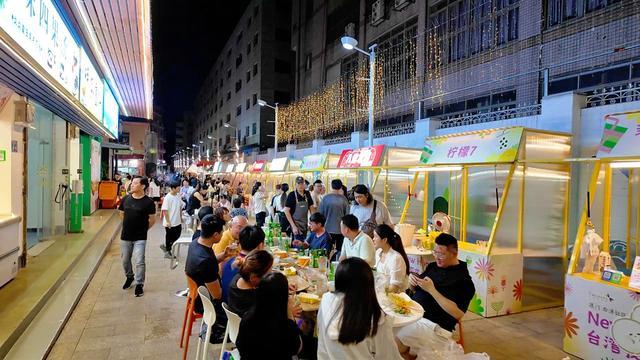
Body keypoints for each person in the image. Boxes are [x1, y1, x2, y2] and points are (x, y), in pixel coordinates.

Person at [395, 233, 475, 359]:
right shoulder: (433, 266)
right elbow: (416, 288)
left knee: (395, 345)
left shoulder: (464, 280)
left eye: (441, 254)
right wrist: (412, 283)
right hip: (414, 316)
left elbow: (458, 313)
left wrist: (432, 290)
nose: (437, 257)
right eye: (435, 252)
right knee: (384, 331)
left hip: (435, 326)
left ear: (454, 253)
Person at [317, 257, 402, 360]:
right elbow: (388, 356)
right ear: (369, 285)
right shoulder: (376, 317)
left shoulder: (326, 299)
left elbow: (321, 343)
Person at [185, 215, 235, 343]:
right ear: (215, 235)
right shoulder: (205, 261)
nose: (223, 234)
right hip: (205, 303)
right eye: (222, 232)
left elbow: (211, 262)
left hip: (195, 293)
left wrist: (223, 255)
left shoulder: (196, 243)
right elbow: (217, 295)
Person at [235, 272, 303, 359]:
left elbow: (240, 346)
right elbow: (297, 349)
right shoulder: (284, 326)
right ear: (284, 298)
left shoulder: (248, 317)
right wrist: (290, 314)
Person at [118, 176, 156, 297]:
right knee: (125, 260)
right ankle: (130, 277)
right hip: (126, 235)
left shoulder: (148, 202)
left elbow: (152, 219)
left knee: (139, 260)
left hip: (140, 237)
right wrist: (127, 226)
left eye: (135, 183)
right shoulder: (126, 199)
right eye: (132, 183)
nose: (132, 185)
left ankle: (139, 284)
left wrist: (144, 229)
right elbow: (121, 213)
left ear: (143, 186)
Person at [220, 225, 266, 303]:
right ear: (260, 245)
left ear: (240, 244)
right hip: (242, 311)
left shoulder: (230, 261)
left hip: (227, 308)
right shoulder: (254, 268)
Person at [228, 249, 274, 317]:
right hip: (251, 326)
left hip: (234, 324)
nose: (270, 276)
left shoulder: (237, 278)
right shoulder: (255, 297)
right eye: (269, 274)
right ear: (254, 278)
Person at [373, 224, 410, 293]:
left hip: (395, 297)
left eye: (375, 236)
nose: (373, 239)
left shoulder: (396, 258)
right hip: (381, 292)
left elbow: (394, 288)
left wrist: (376, 294)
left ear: (384, 240)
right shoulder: (378, 252)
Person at [319, 179, 350, 260]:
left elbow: (320, 214)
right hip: (341, 230)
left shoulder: (325, 198)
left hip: (327, 229)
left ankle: (325, 266)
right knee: (340, 251)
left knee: (326, 251)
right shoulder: (344, 199)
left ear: (331, 186)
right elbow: (347, 215)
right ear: (340, 187)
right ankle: (337, 266)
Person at [284, 176, 315, 242]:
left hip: (305, 224)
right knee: (297, 245)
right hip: (295, 225)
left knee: (304, 244)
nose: (300, 185)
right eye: (298, 183)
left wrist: (312, 223)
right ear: (295, 184)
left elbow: (312, 208)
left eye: (302, 183)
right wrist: (293, 226)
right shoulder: (291, 195)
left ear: (304, 184)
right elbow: (286, 211)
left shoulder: (307, 194)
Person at [160, 181, 184, 259]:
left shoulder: (178, 195)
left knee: (177, 236)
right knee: (169, 236)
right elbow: (165, 210)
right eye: (178, 187)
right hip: (170, 222)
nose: (179, 188)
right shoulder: (168, 197)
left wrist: (180, 217)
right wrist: (168, 222)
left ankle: (167, 247)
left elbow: (180, 206)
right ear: (173, 188)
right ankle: (168, 251)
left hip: (177, 221)